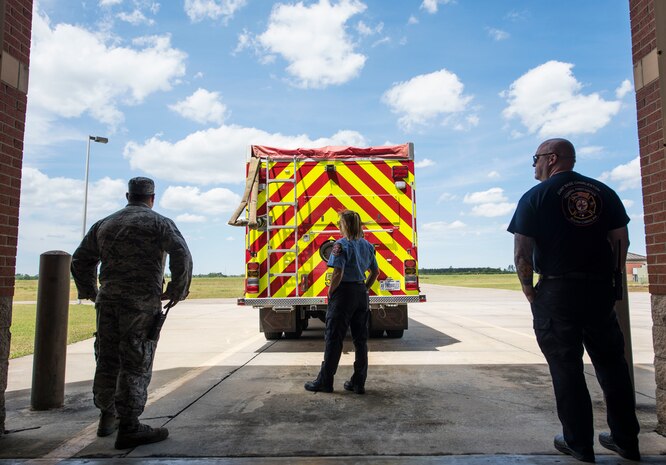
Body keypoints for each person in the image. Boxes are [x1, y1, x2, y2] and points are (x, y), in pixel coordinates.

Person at [507, 138, 640, 463]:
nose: (534, 164)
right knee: (613, 365)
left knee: (566, 367)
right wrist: (611, 284)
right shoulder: (603, 193)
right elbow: (620, 243)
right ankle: (626, 440)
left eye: (535, 158)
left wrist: (530, 291)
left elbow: (522, 251)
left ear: (552, 159)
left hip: (557, 291)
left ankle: (578, 443)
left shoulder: (536, 197)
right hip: (598, 291)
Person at [72, 177, 193, 449]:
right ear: (152, 198)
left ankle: (107, 416)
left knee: (107, 357)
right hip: (140, 304)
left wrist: (90, 290)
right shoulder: (160, 223)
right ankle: (129, 426)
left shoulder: (105, 224)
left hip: (108, 302)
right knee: (136, 360)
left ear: (128, 195)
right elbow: (181, 255)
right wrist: (177, 290)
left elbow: (80, 259)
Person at [305, 210, 379, 394]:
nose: (339, 226)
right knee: (360, 340)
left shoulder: (340, 245)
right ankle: (358, 382)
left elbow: (338, 272)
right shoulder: (368, 246)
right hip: (361, 294)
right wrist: (365, 288)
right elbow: (375, 273)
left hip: (344, 294)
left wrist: (331, 292)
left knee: (334, 338)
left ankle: (325, 381)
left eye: (340, 223)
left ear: (345, 225)